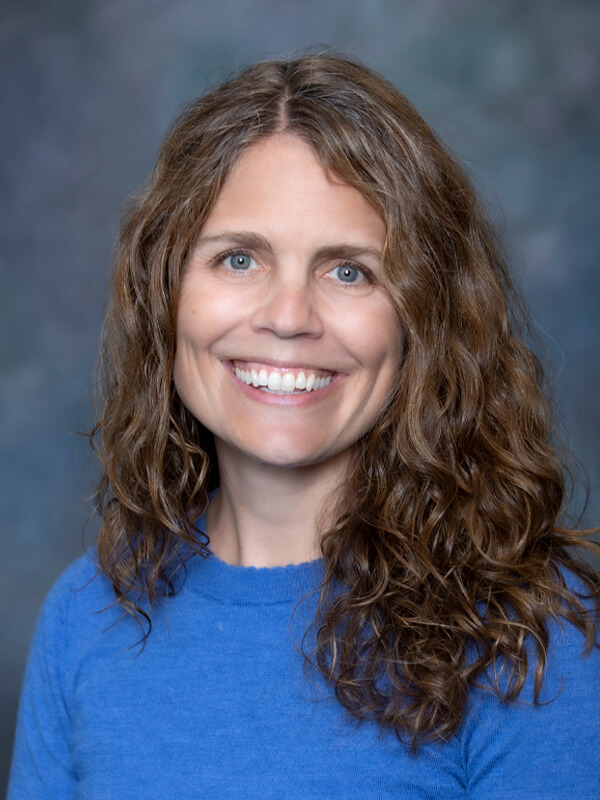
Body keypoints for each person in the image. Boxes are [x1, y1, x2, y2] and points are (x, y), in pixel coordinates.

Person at [7, 53, 600, 798]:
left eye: (349, 270)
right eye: (238, 260)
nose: (288, 318)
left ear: (425, 317)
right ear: (166, 295)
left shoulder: (531, 638)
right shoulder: (85, 615)